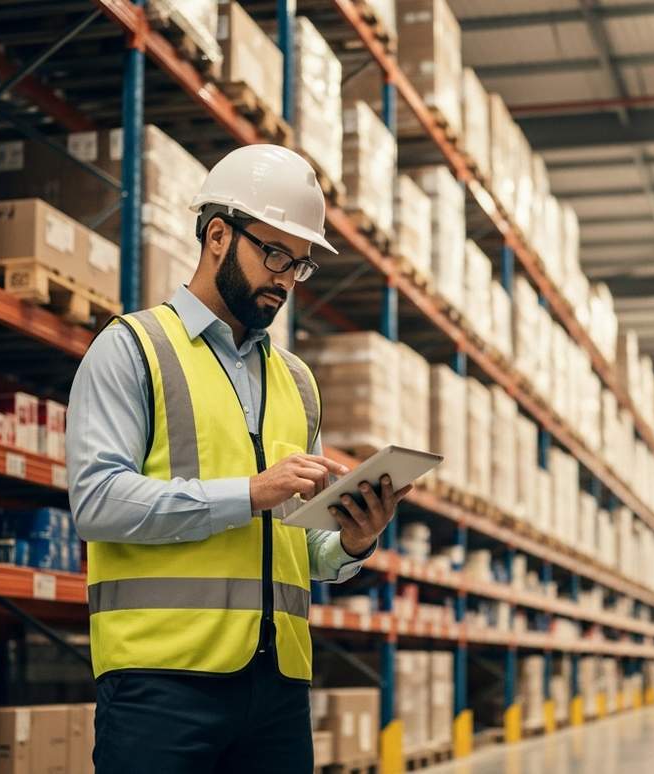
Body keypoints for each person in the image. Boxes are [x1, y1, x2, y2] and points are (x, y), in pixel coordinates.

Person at [67, 144, 410, 773]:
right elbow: (96, 504)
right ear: (218, 235)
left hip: (277, 684)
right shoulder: (132, 348)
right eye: (274, 254)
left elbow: (296, 548)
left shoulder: (297, 382)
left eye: (300, 265)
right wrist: (248, 492)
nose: (284, 277)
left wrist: (353, 543)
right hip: (161, 683)